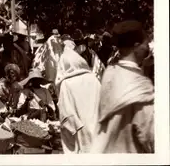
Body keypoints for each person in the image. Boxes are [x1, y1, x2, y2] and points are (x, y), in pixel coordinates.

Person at [90, 21, 154, 153]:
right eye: (145, 43)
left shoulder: (110, 72)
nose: (147, 47)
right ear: (137, 47)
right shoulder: (139, 87)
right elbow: (149, 136)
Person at [55, 44, 101, 153]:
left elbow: (66, 113)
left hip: (80, 135)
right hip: (98, 130)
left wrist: (78, 130)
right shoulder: (93, 79)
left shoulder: (66, 84)